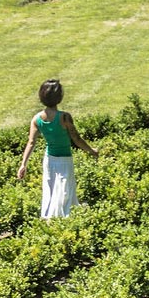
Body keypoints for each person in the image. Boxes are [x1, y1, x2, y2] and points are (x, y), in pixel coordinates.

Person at [16, 78, 98, 218]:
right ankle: (65, 218)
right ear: (59, 97)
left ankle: (50, 217)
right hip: (65, 160)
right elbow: (76, 139)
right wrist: (92, 151)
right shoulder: (65, 117)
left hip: (49, 160)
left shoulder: (36, 119)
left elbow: (31, 142)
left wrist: (23, 164)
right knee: (66, 190)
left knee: (51, 190)